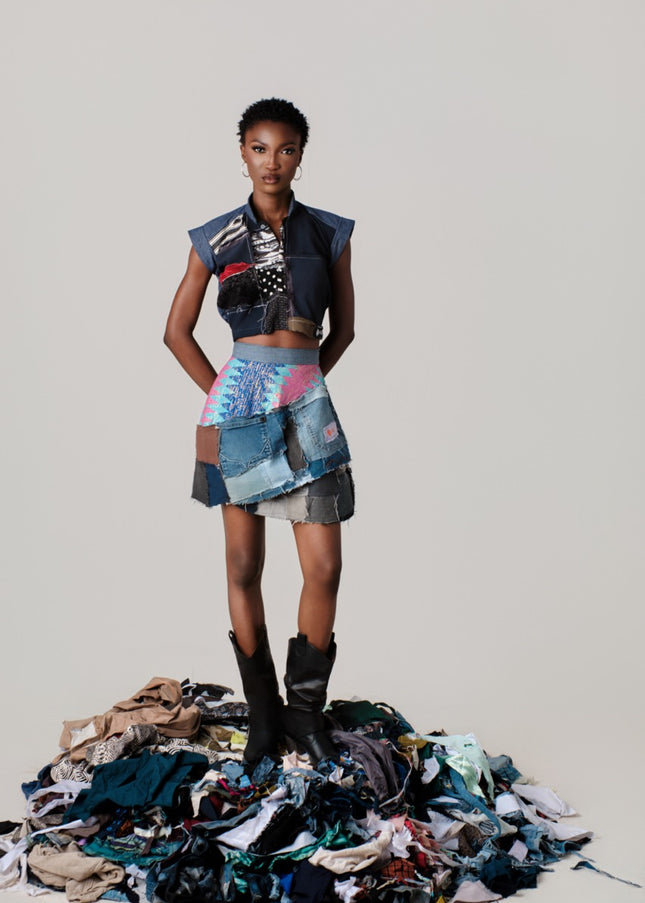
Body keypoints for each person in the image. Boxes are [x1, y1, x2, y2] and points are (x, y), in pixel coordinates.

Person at [164, 98, 355, 768]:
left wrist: (300, 385)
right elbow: (175, 332)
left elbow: (344, 330)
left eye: (285, 149)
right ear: (242, 152)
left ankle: (305, 716)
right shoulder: (215, 238)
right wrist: (229, 395)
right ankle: (266, 720)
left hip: (306, 405)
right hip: (235, 411)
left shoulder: (328, 233)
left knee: (324, 567)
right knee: (244, 566)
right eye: (259, 148)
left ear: (300, 154)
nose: (272, 161)